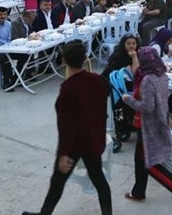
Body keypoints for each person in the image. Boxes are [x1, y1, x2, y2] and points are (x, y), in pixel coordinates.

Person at [22, 42, 112, 215]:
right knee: (99, 180)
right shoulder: (97, 80)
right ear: (85, 59)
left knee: (58, 181)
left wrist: (64, 153)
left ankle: (44, 213)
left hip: (74, 145)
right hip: (92, 140)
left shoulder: (68, 89)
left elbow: (66, 126)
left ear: (64, 61)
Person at [122, 46, 172, 207]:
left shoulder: (148, 79)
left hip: (148, 125)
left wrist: (128, 100)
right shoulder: (162, 76)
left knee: (149, 163)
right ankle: (138, 192)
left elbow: (147, 107)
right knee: (141, 160)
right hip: (159, 120)